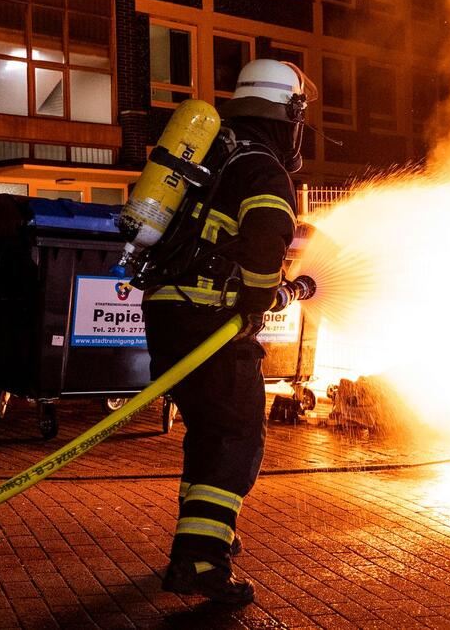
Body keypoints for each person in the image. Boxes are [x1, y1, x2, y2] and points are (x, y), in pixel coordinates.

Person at [141, 59, 317, 605]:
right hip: (209, 318)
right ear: (286, 116)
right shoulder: (263, 167)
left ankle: (204, 538)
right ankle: (200, 561)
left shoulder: (216, 151)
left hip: (168, 313)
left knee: (210, 433)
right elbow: (266, 239)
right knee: (239, 436)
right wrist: (262, 298)